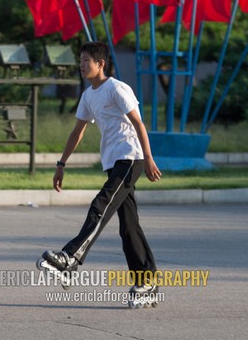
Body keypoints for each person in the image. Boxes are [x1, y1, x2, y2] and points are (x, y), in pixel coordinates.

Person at [41, 41, 162, 304]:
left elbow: (139, 123)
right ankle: (147, 283)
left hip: (130, 158)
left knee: (101, 204)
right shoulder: (88, 95)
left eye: (86, 60)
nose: (82, 65)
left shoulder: (117, 89)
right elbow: (77, 132)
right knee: (129, 226)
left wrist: (149, 158)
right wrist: (61, 164)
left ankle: (70, 258)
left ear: (100, 64)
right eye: (81, 60)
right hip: (113, 161)